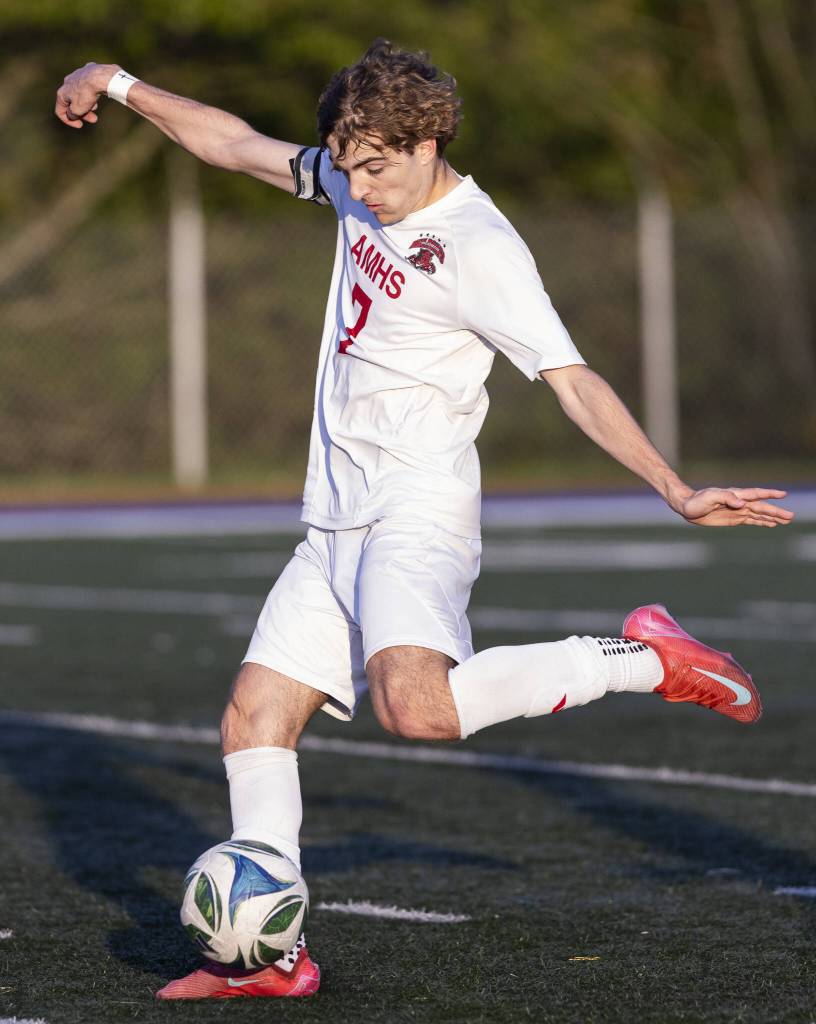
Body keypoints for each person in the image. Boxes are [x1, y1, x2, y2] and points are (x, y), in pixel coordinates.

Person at [55, 40, 794, 1000]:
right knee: (252, 720)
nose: (359, 185)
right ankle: (272, 961)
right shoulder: (358, 180)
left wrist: (674, 487)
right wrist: (119, 85)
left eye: (376, 166)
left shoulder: (483, 249)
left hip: (418, 507)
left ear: (430, 140)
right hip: (334, 515)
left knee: (419, 710)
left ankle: (650, 659)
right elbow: (235, 144)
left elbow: (573, 381)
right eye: (347, 164)